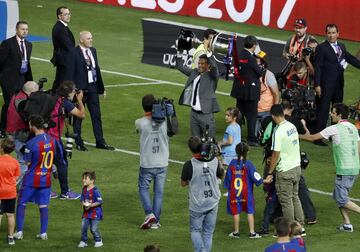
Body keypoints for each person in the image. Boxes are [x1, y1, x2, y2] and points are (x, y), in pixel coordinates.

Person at [300, 103, 360, 232]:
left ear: (338, 114)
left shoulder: (335, 128)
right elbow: (358, 147)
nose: (330, 114)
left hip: (344, 169)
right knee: (339, 196)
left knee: (341, 198)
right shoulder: (353, 128)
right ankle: (347, 224)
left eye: (332, 112)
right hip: (354, 168)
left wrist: (295, 135)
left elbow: (312, 138)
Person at [66, 31, 114, 151]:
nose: (91, 40)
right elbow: (70, 72)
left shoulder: (93, 51)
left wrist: (101, 89)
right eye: (88, 38)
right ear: (81, 40)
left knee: (96, 115)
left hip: (92, 87)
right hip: (80, 89)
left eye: (91, 38)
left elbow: (96, 69)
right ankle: (79, 141)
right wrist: (74, 90)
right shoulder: (73, 53)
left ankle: (100, 141)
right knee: (78, 117)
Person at [314, 24, 360, 144]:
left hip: (339, 85)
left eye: (333, 33)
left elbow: (350, 58)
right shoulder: (321, 48)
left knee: (338, 110)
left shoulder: (341, 46)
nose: (331, 35)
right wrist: (317, 85)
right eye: (329, 33)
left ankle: (334, 135)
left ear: (338, 34)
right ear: (326, 34)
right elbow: (318, 67)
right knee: (323, 110)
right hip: (325, 85)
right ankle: (318, 138)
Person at [264, 104, 305, 234]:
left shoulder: (279, 130)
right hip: (296, 167)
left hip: (285, 170)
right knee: (295, 197)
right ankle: (300, 226)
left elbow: (276, 154)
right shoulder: (291, 126)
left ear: (273, 116)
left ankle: (291, 229)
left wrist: (270, 172)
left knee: (286, 201)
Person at [13, 115, 55, 241]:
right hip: (46, 179)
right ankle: (43, 233)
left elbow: (26, 163)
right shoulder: (51, 140)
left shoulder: (31, 144)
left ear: (33, 125)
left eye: (30, 124)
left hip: (31, 179)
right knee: (43, 205)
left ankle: (19, 232)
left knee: (21, 203)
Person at [181, 136, 224, 252]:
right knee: (208, 233)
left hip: (197, 204)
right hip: (213, 201)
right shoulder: (214, 160)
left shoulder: (189, 165)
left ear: (190, 150)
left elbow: (183, 183)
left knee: (195, 230)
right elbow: (221, 175)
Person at [47, 81, 85, 199]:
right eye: (74, 91)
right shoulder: (65, 102)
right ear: (70, 92)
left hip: (41, 136)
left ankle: (46, 191)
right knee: (62, 163)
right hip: (53, 138)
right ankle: (65, 192)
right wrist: (79, 100)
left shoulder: (51, 97)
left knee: (46, 164)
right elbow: (81, 114)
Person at [135, 94, 169, 229]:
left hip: (147, 162)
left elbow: (139, 129)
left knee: (143, 188)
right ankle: (156, 221)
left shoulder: (140, 122)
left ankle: (149, 213)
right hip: (162, 162)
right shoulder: (165, 121)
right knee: (159, 193)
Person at [0, 21, 33, 137]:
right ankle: (6, 129)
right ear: (16, 30)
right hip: (8, 80)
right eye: (22, 29)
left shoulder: (29, 45)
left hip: (22, 79)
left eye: (26, 29)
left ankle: (4, 127)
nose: (25, 31)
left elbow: (27, 64)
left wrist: (30, 80)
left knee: (14, 104)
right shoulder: (7, 43)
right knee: (11, 104)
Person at [224, 142, 263, 239]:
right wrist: (264, 180)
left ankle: (236, 232)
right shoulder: (248, 164)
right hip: (247, 193)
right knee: (250, 211)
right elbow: (256, 177)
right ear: (247, 152)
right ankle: (252, 232)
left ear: (236, 152)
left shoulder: (232, 163)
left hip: (234, 193)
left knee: (236, 211)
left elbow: (227, 179)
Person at [177, 52, 220, 139]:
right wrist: (180, 53)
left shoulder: (212, 77)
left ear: (208, 65)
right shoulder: (195, 72)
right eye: (199, 63)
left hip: (206, 115)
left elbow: (215, 68)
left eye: (202, 64)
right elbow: (180, 67)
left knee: (208, 142)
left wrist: (209, 55)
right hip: (193, 114)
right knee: (195, 141)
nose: (199, 65)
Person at [230, 35, 262, 146]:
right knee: (252, 115)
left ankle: (235, 136)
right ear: (254, 46)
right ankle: (251, 139)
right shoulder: (252, 59)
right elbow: (259, 73)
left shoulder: (238, 55)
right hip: (250, 92)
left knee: (239, 114)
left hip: (240, 90)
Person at [6, 81, 39, 187]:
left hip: (14, 134)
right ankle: (11, 186)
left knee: (24, 160)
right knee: (23, 162)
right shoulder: (22, 102)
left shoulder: (17, 96)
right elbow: (28, 117)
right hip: (18, 136)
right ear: (30, 93)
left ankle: (20, 188)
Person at [0, 139, 20, 245]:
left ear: (2, 148)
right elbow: (16, 178)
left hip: (0, 192)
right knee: (10, 215)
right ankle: (11, 237)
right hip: (11, 192)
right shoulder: (15, 162)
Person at [50, 6, 75, 91]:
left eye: (69, 14)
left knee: (59, 83)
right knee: (62, 86)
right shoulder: (61, 28)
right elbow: (68, 47)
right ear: (59, 16)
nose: (69, 16)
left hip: (63, 60)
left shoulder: (61, 27)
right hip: (65, 61)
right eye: (66, 14)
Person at [255, 51, 280, 135]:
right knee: (255, 135)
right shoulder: (253, 73)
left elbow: (276, 93)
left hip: (266, 110)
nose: (255, 63)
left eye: (257, 61)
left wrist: (274, 110)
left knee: (264, 135)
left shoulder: (268, 75)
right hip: (255, 109)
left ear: (263, 64)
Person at [78, 171, 103, 248]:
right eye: (83, 178)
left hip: (95, 212)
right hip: (86, 212)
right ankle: (83, 241)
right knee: (83, 227)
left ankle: (98, 240)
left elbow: (100, 201)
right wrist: (83, 204)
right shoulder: (84, 189)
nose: (83, 180)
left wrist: (90, 205)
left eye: (86, 179)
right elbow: (82, 198)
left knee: (93, 228)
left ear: (92, 181)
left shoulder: (95, 191)